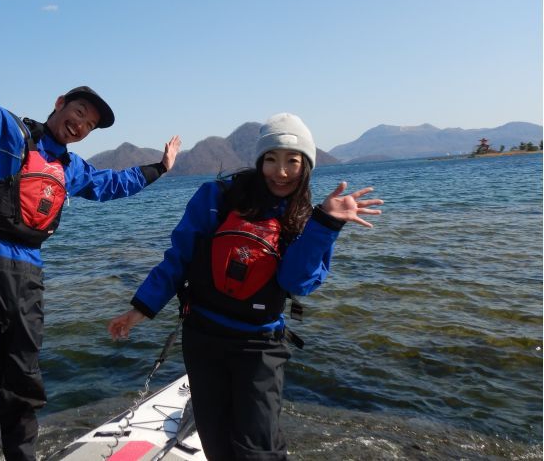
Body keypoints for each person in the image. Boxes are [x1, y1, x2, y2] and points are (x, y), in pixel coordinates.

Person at [0, 0, 181, 461]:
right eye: (78, 113)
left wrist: (161, 168)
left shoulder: (70, 168)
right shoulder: (8, 133)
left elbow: (114, 184)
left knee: (23, 383)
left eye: (89, 124)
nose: (80, 125)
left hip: (28, 273)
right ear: (59, 104)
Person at [108, 113, 383, 460]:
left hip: (259, 345)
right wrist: (140, 310)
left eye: (292, 161)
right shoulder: (216, 196)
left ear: (307, 166)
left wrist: (325, 225)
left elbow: (296, 282)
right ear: (258, 161)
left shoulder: (306, 218)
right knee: (216, 442)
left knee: (259, 447)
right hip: (203, 335)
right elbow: (178, 258)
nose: (280, 172)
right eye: (271, 159)